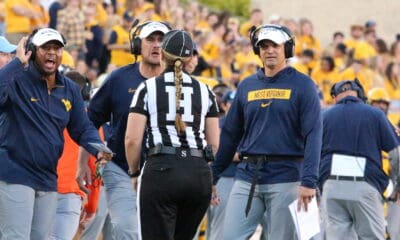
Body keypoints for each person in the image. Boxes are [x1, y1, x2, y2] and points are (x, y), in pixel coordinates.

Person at [211, 24, 322, 240]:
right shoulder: (247, 85)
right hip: (247, 175)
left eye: (275, 45)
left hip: (287, 177)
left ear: (286, 49)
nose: (269, 50)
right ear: (257, 50)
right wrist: (213, 175)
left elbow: (314, 134)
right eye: (264, 46)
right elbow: (230, 135)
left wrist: (309, 181)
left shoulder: (303, 85)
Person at [0, 27, 112, 239]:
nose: (52, 52)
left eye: (57, 48)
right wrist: (17, 62)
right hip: (15, 174)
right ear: (32, 51)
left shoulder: (69, 88)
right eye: (46, 48)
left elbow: (82, 127)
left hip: (47, 178)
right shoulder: (17, 79)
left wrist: (98, 149)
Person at [77, 20, 171, 240]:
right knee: (126, 228)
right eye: (151, 39)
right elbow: (91, 120)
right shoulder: (119, 78)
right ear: (138, 44)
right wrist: (83, 162)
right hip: (120, 167)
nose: (157, 45)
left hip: (164, 169)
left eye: (162, 40)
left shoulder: (179, 83)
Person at [125, 29, 219, 240]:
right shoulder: (206, 90)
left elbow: (132, 139)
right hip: (198, 172)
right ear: (189, 59)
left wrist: (133, 172)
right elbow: (213, 144)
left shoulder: (148, 87)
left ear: (164, 55)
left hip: (161, 169)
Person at [319, 80, 399, 239]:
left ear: (335, 97)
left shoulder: (323, 116)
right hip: (365, 186)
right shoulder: (375, 114)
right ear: (360, 95)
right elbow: (396, 153)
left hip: (330, 187)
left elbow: (309, 153)